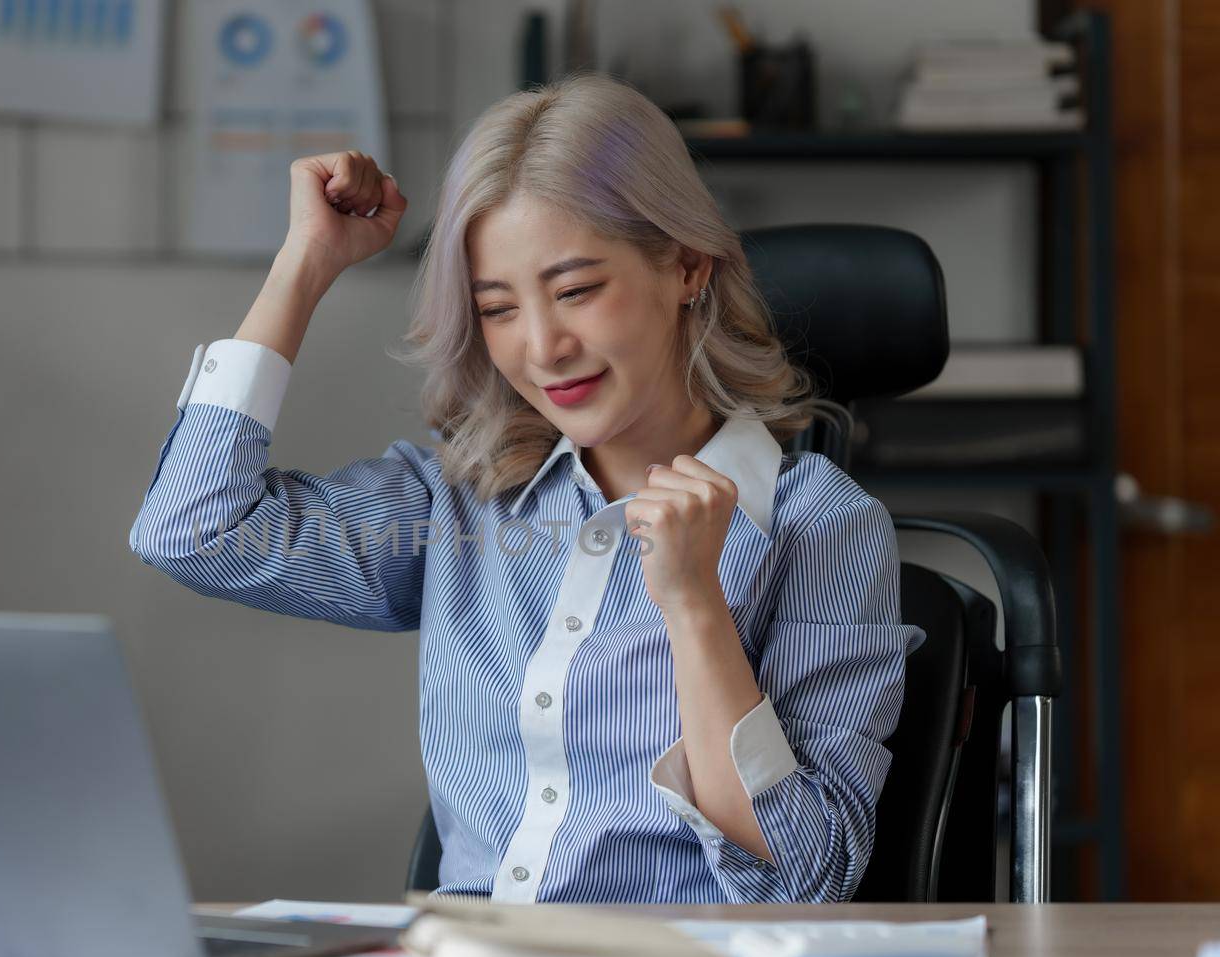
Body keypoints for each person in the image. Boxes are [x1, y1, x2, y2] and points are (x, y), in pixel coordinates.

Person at [129, 71, 925, 904]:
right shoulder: (460, 505)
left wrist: (695, 606)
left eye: (577, 290)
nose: (543, 347)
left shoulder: (821, 526)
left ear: (686, 267)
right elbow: (191, 529)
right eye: (499, 308)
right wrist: (305, 265)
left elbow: (802, 880)